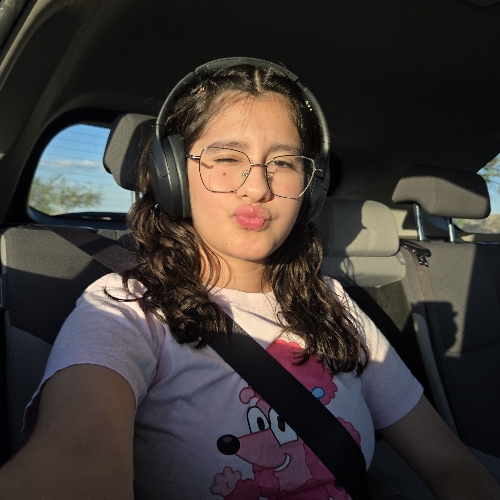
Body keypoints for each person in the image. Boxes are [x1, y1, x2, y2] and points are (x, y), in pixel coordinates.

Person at [0, 59, 499, 500]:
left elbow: (449, 465)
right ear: (174, 176)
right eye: (226, 158)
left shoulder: (334, 303)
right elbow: (79, 458)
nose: (258, 187)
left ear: (310, 187)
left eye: (283, 163)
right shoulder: (125, 310)